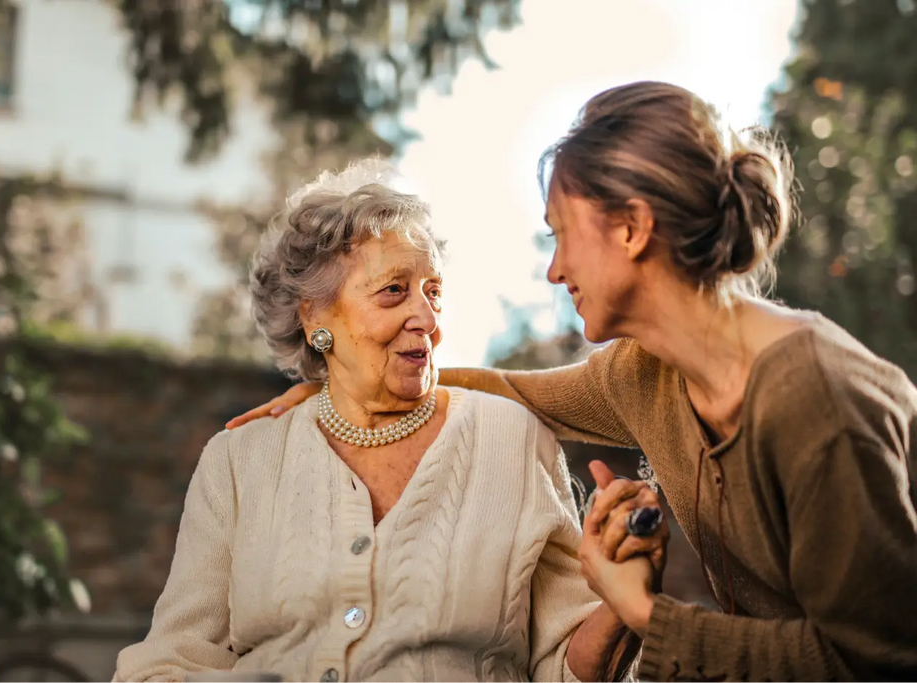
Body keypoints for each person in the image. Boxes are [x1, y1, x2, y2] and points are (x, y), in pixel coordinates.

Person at [225, 82, 917, 682]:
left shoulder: (815, 399)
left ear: (632, 228)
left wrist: (644, 612)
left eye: (560, 235)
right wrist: (345, 385)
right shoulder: (646, 373)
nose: (555, 270)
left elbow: (875, 660)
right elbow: (515, 390)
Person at [114, 160, 669, 683]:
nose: (427, 320)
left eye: (434, 293)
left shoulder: (513, 440)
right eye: (394, 292)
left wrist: (622, 605)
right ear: (315, 317)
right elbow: (169, 661)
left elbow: (563, 668)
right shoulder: (240, 460)